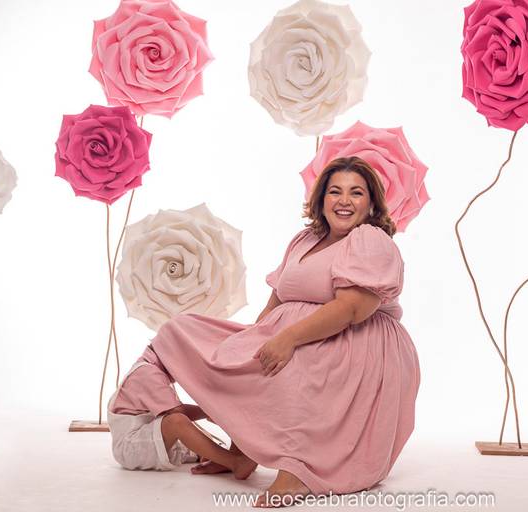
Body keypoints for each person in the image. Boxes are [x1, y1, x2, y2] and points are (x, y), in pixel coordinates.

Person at [150, 156, 421, 507]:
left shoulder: (369, 240)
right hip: (294, 333)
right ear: (321, 198)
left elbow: (352, 309)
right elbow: (277, 298)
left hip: (356, 341)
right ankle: (242, 450)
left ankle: (298, 470)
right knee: (185, 332)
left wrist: (288, 339)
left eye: (356, 193)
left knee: (299, 366)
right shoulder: (305, 240)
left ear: (371, 203)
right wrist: (251, 340)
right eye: (335, 191)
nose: (344, 201)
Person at [107, 345, 257, 478]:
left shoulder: (151, 367)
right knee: (177, 421)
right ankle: (235, 462)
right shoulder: (147, 372)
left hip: (145, 435)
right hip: (131, 447)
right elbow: (175, 412)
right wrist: (210, 411)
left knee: (201, 438)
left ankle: (228, 457)